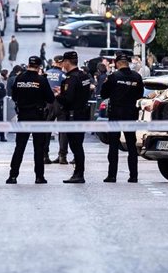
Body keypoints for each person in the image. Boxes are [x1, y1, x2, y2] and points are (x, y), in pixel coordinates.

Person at [6, 56, 55, 184]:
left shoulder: (19, 78)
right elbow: (50, 99)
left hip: (23, 116)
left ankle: (12, 176)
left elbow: (14, 96)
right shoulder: (41, 80)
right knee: (39, 148)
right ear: (39, 67)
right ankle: (39, 177)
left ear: (28, 65)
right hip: (38, 117)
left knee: (19, 147)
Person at [100, 52, 144, 183]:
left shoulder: (113, 77)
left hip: (116, 115)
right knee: (131, 146)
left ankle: (112, 175)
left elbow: (103, 93)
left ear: (117, 63)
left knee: (113, 146)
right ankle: (134, 176)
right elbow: (140, 94)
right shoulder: (137, 77)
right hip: (130, 115)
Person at [55, 51, 92, 183]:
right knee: (78, 145)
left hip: (73, 115)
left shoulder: (70, 79)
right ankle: (78, 172)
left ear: (67, 62)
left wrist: (58, 96)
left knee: (75, 146)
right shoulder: (84, 76)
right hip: (82, 113)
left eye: (63, 62)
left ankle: (79, 173)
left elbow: (68, 99)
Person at [44, 55, 68, 164]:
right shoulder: (64, 75)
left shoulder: (46, 73)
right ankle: (62, 156)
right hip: (60, 102)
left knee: (46, 129)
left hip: (48, 102)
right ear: (62, 63)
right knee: (63, 130)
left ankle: (45, 155)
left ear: (54, 62)